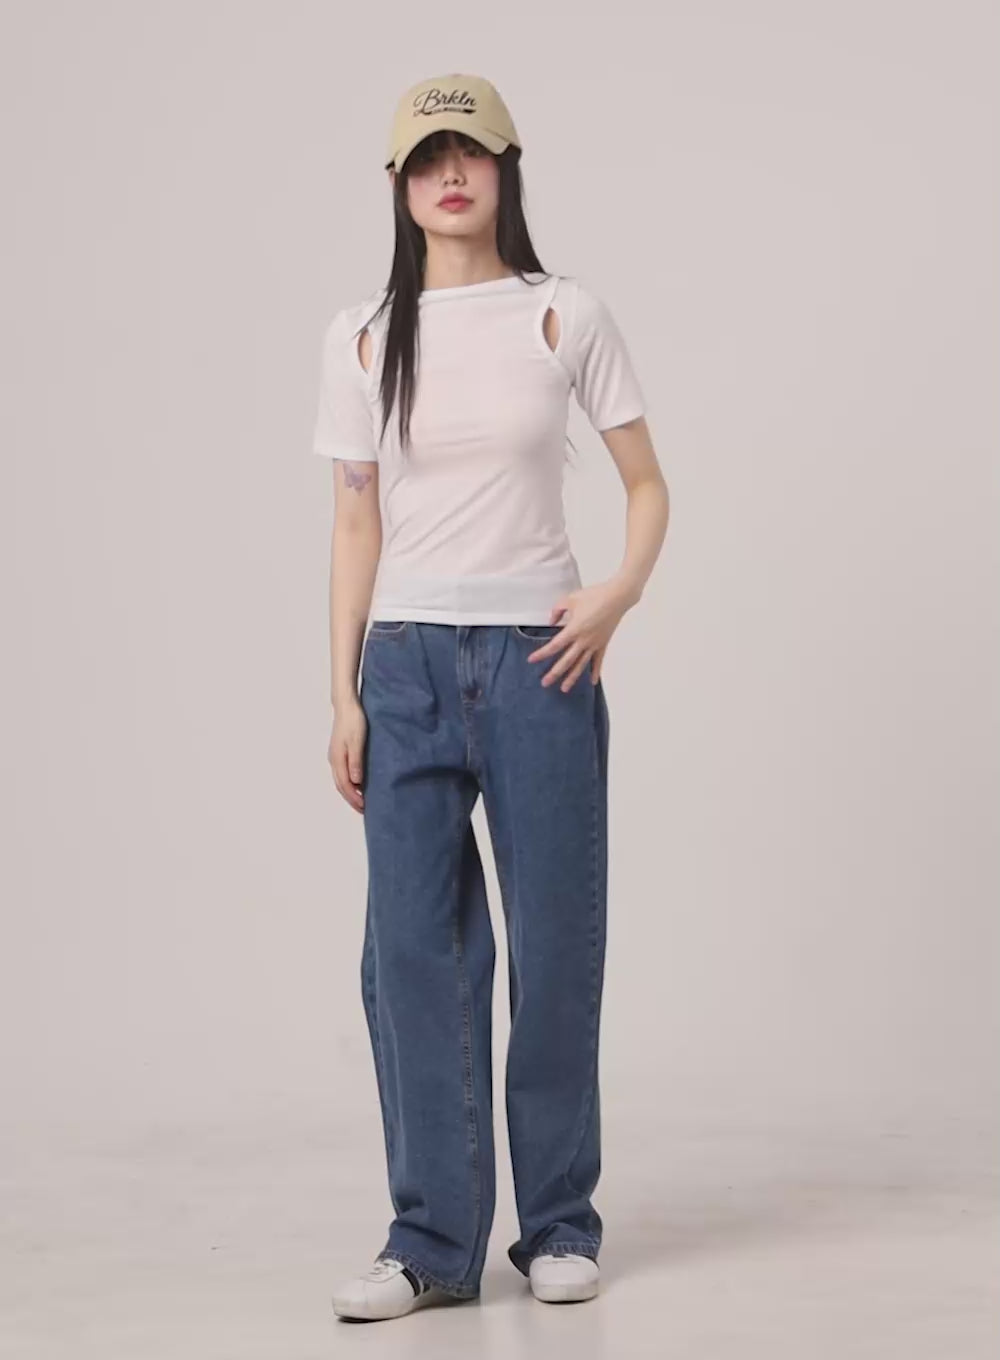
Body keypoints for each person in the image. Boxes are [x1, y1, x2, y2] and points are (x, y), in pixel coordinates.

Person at [312, 72, 670, 1321]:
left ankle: (558, 1222)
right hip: (405, 665)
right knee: (412, 954)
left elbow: (646, 483)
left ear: (507, 170)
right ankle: (431, 1244)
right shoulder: (363, 334)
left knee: (557, 944)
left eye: (469, 153)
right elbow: (354, 521)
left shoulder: (562, 314)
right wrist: (343, 690)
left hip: (537, 659)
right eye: (427, 159)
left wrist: (614, 595)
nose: (449, 175)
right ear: (400, 186)